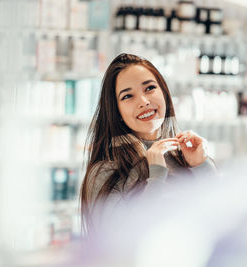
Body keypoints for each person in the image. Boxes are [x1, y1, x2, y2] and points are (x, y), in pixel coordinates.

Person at [80, 53, 216, 234]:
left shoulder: (186, 156)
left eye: (150, 88)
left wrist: (203, 166)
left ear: (164, 93)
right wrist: (156, 176)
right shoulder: (106, 171)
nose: (144, 102)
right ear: (116, 111)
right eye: (128, 96)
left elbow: (220, 220)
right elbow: (117, 245)